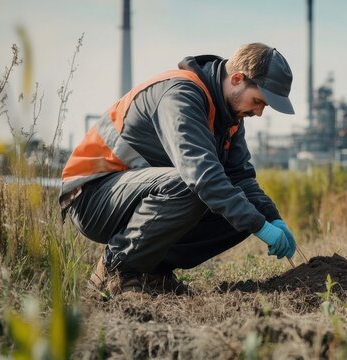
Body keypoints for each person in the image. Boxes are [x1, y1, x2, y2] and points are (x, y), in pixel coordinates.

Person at [60, 43, 297, 296]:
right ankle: (115, 270)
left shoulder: (229, 118)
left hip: (136, 195)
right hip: (93, 196)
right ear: (238, 79)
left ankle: (151, 272)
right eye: (258, 101)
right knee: (192, 184)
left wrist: (271, 218)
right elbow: (201, 176)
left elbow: (240, 178)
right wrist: (260, 226)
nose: (259, 112)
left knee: (244, 210)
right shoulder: (181, 95)